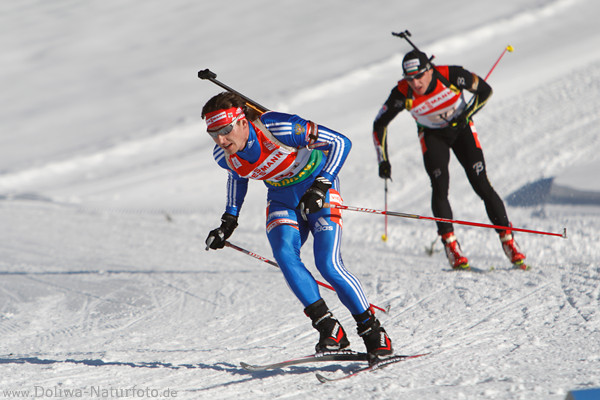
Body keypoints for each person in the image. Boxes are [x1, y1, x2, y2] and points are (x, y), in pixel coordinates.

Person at [203, 91, 393, 361]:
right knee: (284, 254)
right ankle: (330, 329)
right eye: (213, 134)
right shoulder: (225, 155)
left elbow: (340, 143)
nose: (221, 140)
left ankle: (373, 333)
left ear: (243, 122)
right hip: (281, 197)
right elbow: (237, 176)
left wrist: (321, 185)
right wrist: (228, 221)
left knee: (327, 264)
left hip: (317, 188)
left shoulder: (280, 127)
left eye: (225, 130)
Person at [371, 49, 527, 270]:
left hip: (462, 130)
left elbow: (485, 90)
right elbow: (379, 124)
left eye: (418, 76)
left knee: (481, 184)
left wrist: (467, 113)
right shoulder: (402, 92)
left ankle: (508, 240)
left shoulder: (450, 75)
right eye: (409, 78)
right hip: (433, 136)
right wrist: (383, 160)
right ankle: (451, 245)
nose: (415, 83)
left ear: (429, 70)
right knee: (440, 186)